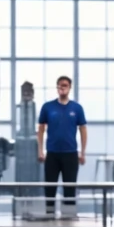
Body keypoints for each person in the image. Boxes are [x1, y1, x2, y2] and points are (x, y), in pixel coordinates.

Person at [37, 75, 88, 215]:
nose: (62, 88)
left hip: (70, 154)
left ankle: (69, 218)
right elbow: (40, 129)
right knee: (50, 187)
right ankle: (49, 216)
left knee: (69, 188)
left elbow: (83, 129)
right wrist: (40, 151)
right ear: (57, 88)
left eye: (65, 85)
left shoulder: (76, 108)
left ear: (70, 87)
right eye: (60, 85)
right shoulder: (48, 107)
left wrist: (83, 153)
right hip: (52, 154)